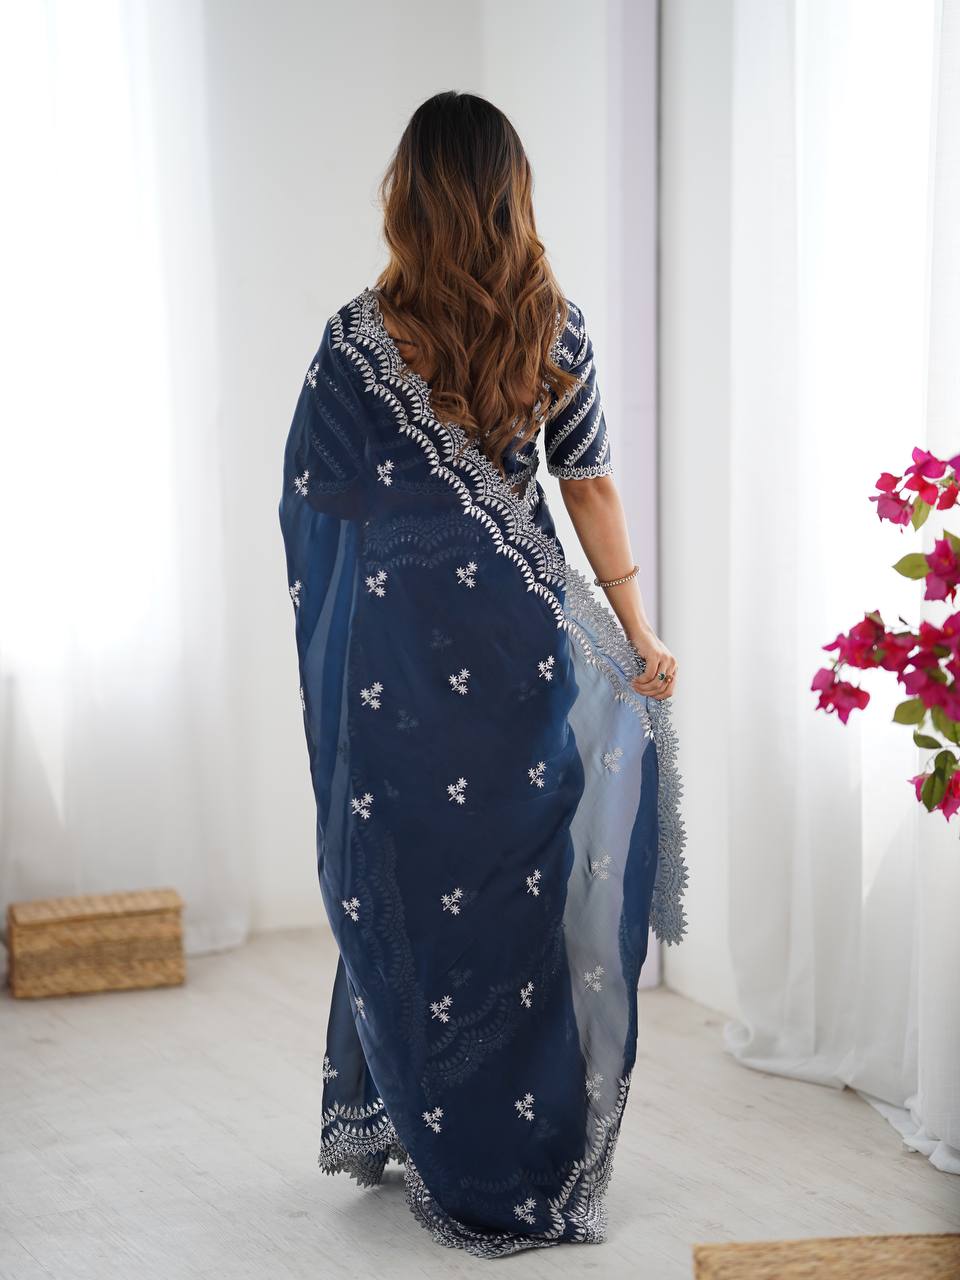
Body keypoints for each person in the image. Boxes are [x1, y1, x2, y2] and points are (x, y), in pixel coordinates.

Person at [278, 90, 688, 1259]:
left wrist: (403, 541)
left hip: (402, 669)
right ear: (514, 193)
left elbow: (317, 497)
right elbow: (588, 486)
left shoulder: (359, 341)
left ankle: (429, 1125)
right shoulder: (557, 329)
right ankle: (515, 1136)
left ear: (406, 196)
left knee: (406, 883)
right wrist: (638, 628)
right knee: (516, 895)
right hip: (522, 655)